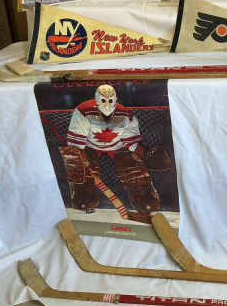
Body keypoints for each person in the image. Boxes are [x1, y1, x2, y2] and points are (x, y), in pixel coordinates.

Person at [58, 84, 161, 224]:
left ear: (116, 100)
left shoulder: (126, 115)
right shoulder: (83, 111)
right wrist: (85, 165)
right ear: (96, 100)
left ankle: (142, 192)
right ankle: (82, 189)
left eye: (110, 100)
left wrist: (146, 153)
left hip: (118, 146)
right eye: (103, 100)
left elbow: (132, 143)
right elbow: (76, 145)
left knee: (134, 172)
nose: (107, 105)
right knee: (75, 160)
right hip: (89, 146)